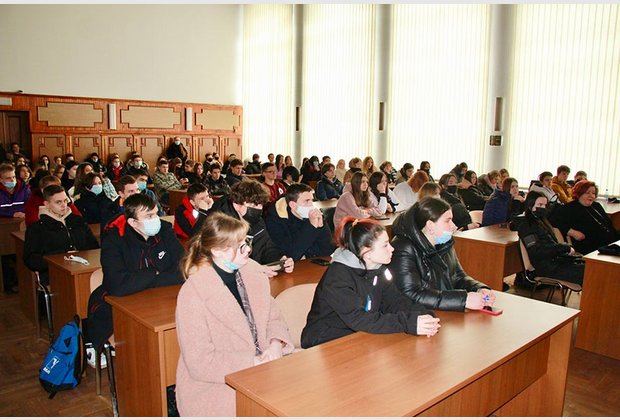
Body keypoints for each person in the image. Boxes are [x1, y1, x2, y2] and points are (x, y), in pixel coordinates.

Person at [175, 213, 294, 416]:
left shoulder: (253, 273)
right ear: (217, 251)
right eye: (239, 246)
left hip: (263, 368)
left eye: (246, 242)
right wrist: (252, 362)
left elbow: (274, 318)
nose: (248, 250)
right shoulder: (193, 293)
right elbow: (200, 362)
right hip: (217, 384)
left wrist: (276, 344)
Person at [301, 217, 440, 349]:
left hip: (358, 334)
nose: (392, 249)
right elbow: (359, 319)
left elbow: (395, 301)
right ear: (366, 253)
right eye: (385, 245)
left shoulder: (379, 269)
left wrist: (422, 314)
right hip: (324, 340)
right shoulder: (337, 277)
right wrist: (408, 323)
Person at [87, 194, 185, 350]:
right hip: (120, 306)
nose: (156, 219)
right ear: (132, 222)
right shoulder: (114, 240)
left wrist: (144, 279)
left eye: (156, 213)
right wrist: (155, 273)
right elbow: (117, 286)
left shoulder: (165, 231)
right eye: (149, 216)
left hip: (160, 300)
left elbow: (183, 269)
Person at [389, 197, 495, 311]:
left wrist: (478, 288)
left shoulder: (444, 243)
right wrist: (463, 300)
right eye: (447, 221)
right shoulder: (403, 248)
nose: (454, 226)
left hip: (443, 310)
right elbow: (411, 294)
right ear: (430, 225)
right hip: (418, 315)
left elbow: (458, 277)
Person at [208, 180, 294, 274]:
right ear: (237, 204)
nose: (258, 209)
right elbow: (223, 262)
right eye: (253, 204)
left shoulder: (257, 221)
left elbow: (265, 247)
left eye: (260, 204)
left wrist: (279, 259)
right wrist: (255, 269)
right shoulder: (220, 226)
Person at [24, 184, 99, 286]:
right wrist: (61, 258)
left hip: (85, 270)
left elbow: (94, 247)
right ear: (46, 204)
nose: (64, 205)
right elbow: (31, 260)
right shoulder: (37, 228)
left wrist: (79, 254)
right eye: (58, 202)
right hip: (54, 276)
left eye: (65, 201)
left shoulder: (77, 221)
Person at [513, 191, 584, 285]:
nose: (543, 208)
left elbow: (551, 246)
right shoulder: (526, 225)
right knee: (590, 272)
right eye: (540, 205)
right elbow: (537, 251)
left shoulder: (541, 221)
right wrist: (563, 248)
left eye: (545, 205)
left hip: (555, 262)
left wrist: (564, 248)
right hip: (547, 268)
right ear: (530, 206)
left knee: (591, 267)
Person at [265, 183, 335, 260]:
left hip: (311, 262)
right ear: (293, 205)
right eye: (306, 201)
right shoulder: (276, 221)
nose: (311, 205)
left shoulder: (312, 215)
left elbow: (328, 250)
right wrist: (311, 227)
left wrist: (321, 227)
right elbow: (291, 255)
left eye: (312, 200)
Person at [550, 180, 620, 255]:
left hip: (610, 243)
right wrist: (572, 232)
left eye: (593, 193)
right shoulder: (569, 208)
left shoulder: (596, 205)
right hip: (590, 246)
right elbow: (553, 221)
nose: (591, 195)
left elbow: (609, 224)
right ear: (578, 193)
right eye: (587, 193)